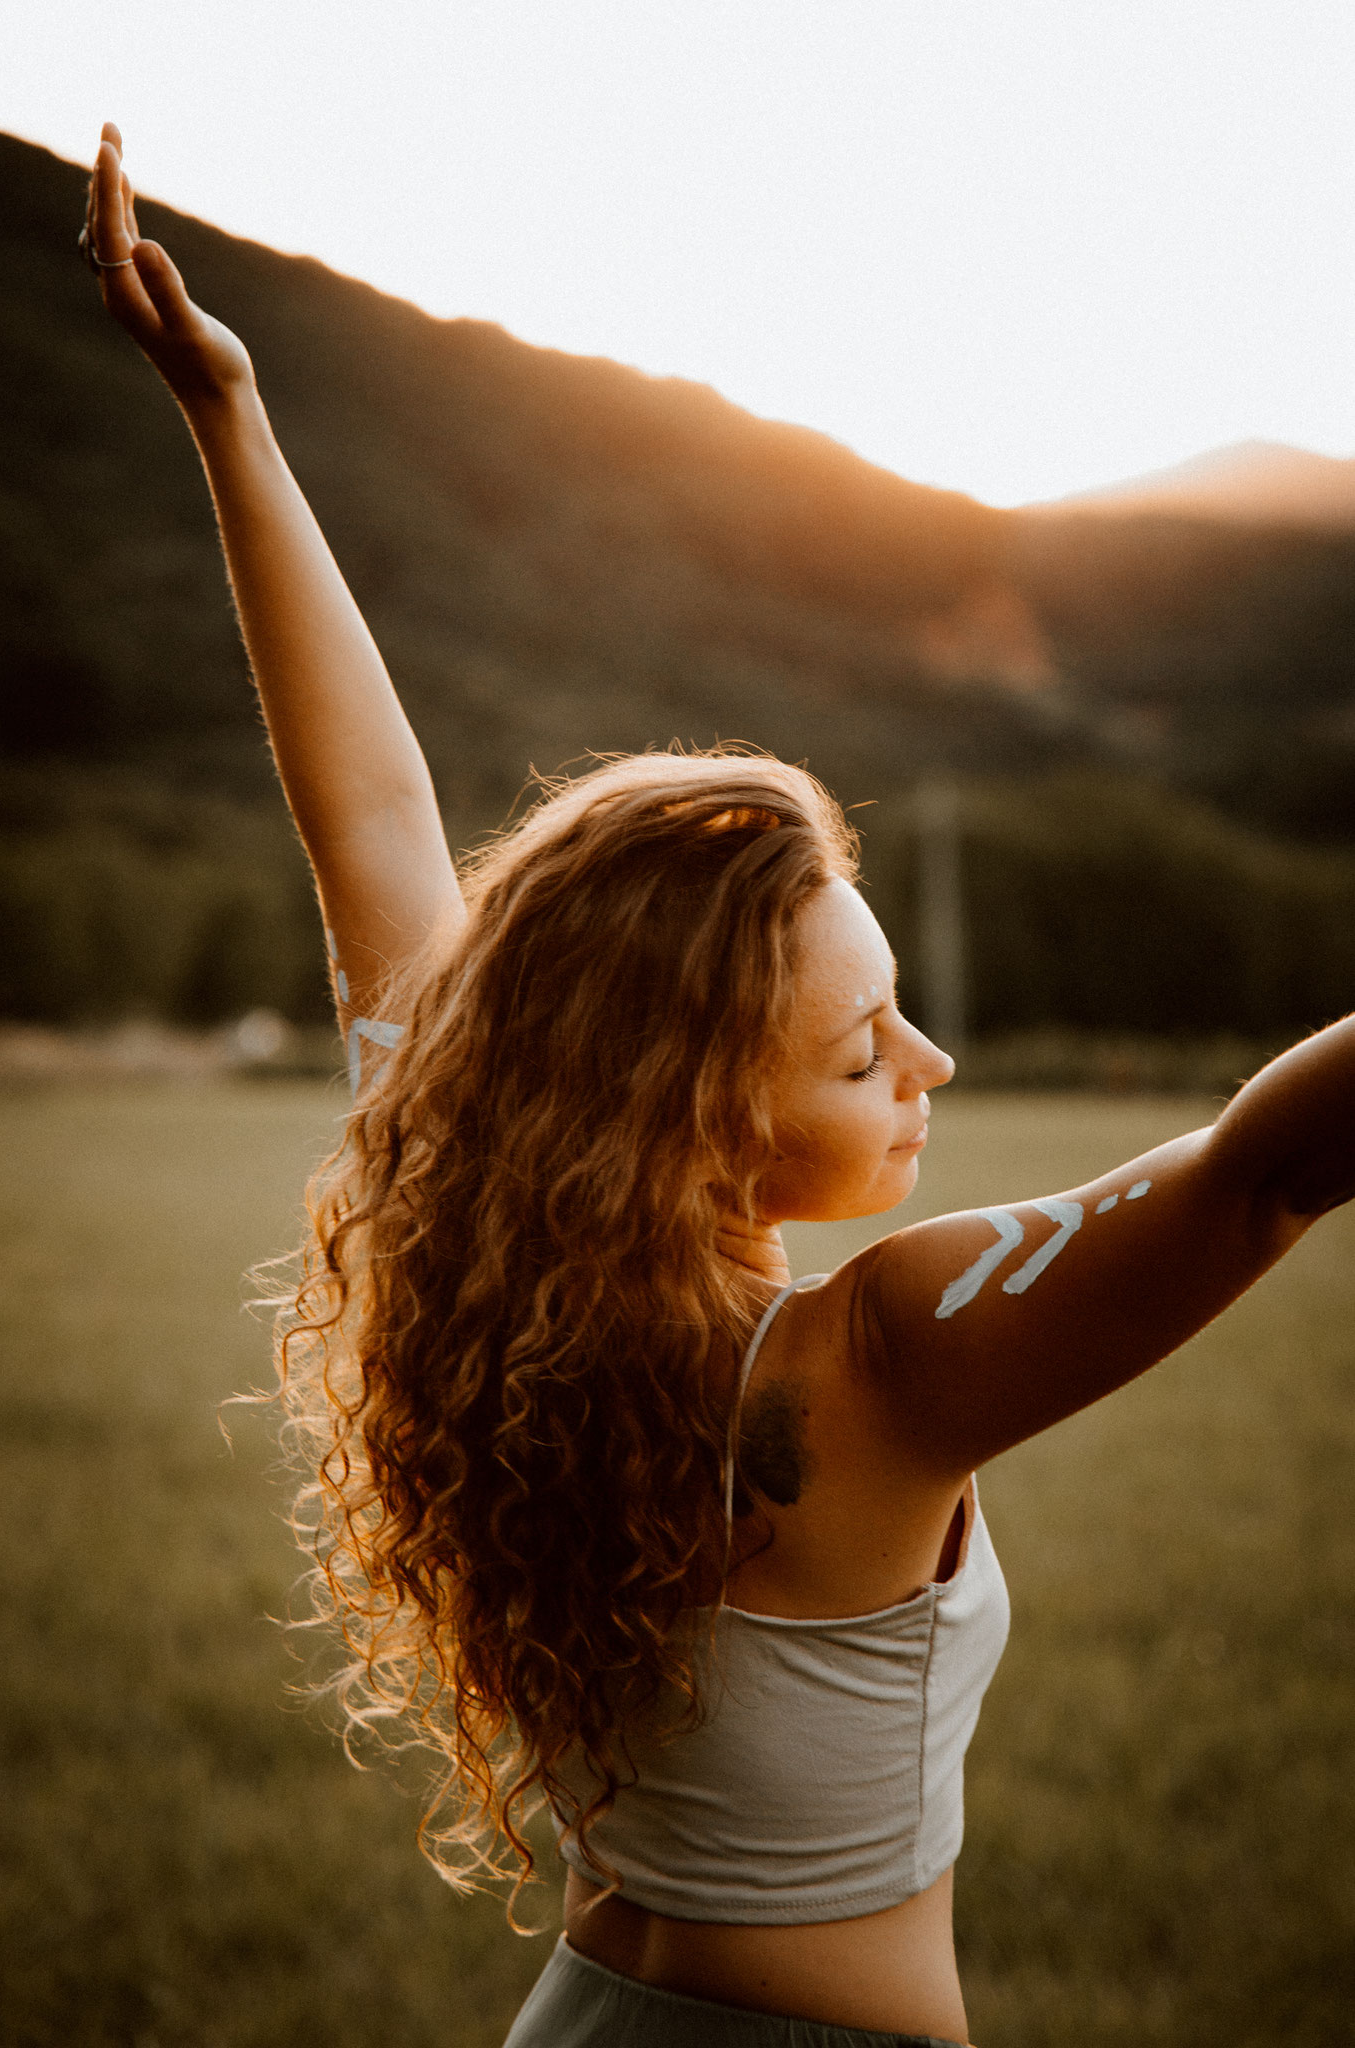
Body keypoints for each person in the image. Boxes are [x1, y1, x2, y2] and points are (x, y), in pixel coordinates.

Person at [83, 125, 1355, 2048]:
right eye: (860, 1048)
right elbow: (1263, 1173)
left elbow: (372, 817)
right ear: (686, 1111)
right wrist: (232, 420)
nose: (929, 1066)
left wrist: (234, 423)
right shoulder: (871, 1359)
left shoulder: (471, 1229)